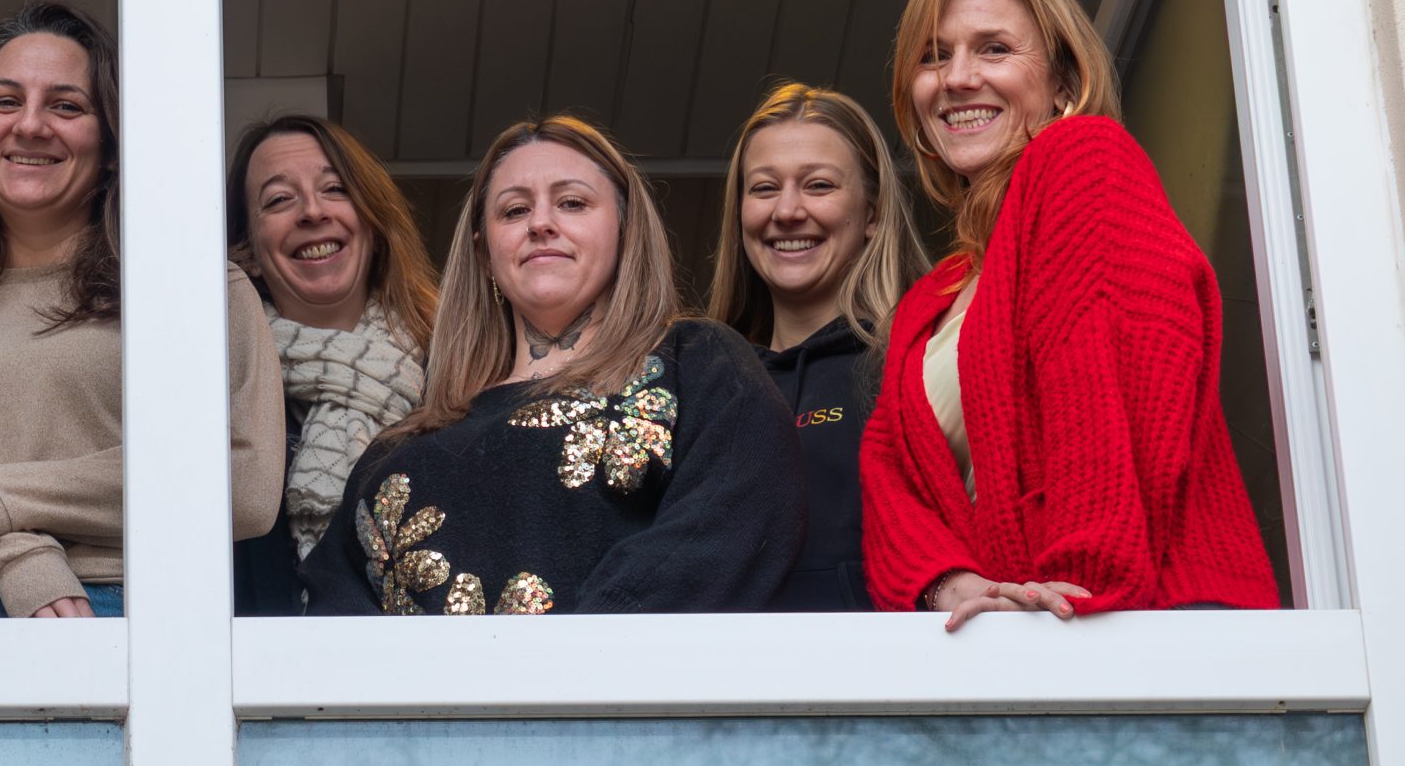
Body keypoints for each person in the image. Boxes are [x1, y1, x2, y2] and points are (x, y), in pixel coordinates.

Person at [860, 0, 1278, 627]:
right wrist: (952, 585)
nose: (957, 77)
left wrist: (1080, 590)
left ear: (1062, 81)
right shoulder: (930, 299)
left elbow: (1110, 381)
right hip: (1024, 644)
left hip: (1142, 631)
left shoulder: (1082, 159)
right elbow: (888, 478)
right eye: (934, 56)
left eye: (993, 48)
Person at [0, 1, 284, 617]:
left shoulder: (194, 291)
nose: (31, 125)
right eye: (5, 101)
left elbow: (247, 486)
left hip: (116, 617)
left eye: (66, 105)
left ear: (110, 145)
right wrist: (19, 557)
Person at [303, 115, 803, 616]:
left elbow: (735, 519)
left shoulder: (697, 363)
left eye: (572, 203)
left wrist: (562, 670)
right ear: (483, 253)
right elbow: (327, 627)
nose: (540, 223)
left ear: (625, 232)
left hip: (620, 686)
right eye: (514, 210)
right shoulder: (394, 453)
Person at [706, 84, 931, 610]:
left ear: (872, 213)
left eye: (819, 185)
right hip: (724, 681)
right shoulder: (704, 385)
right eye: (763, 189)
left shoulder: (916, 363)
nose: (787, 210)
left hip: (883, 680)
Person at [225, 113, 439, 614]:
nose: (312, 212)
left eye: (335, 189)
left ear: (372, 220)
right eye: (279, 200)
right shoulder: (221, 395)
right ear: (248, 251)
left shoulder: (458, 368)